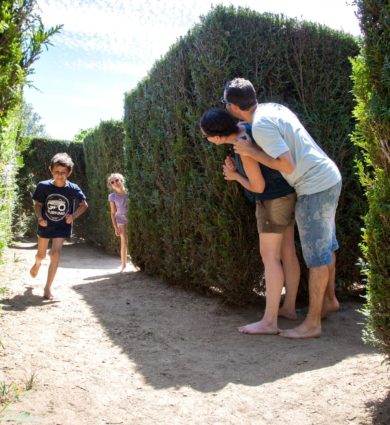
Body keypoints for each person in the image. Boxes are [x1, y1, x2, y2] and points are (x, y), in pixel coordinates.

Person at [222, 77, 341, 339]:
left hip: (314, 185)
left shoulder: (261, 125)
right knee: (327, 247)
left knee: (316, 257)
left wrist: (252, 152)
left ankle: (312, 324)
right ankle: (329, 300)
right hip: (328, 177)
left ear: (232, 107)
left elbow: (286, 165)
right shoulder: (273, 108)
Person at [200, 108, 300, 334]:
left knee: (270, 257)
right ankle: (289, 308)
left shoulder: (243, 147)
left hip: (272, 202)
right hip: (287, 195)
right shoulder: (247, 129)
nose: (207, 140)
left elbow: (258, 187)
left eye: (206, 136)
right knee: (288, 252)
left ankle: (270, 322)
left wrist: (235, 176)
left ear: (216, 137)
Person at [30, 152, 88, 299]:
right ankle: (37, 264)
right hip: (45, 224)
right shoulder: (43, 186)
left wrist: (73, 216)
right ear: (51, 171)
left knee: (55, 254)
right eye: (56, 172)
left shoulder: (73, 188)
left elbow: (84, 205)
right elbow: (37, 205)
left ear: (69, 172)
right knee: (41, 255)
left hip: (62, 226)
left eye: (63, 172)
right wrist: (40, 217)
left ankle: (47, 288)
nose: (60, 175)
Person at [107, 173, 129, 272]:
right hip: (121, 219)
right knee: (124, 241)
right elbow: (112, 213)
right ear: (111, 185)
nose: (115, 183)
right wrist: (115, 227)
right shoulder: (112, 196)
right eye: (112, 182)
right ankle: (123, 266)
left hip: (132, 218)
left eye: (116, 180)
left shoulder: (129, 192)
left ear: (121, 180)